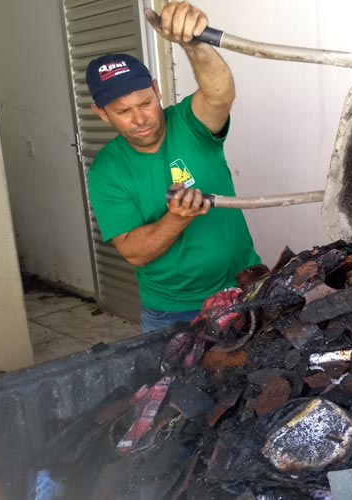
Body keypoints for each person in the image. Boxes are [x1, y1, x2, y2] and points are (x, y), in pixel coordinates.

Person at [85, 1, 261, 333]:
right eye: (123, 111)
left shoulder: (188, 124)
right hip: (173, 311)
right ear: (102, 114)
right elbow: (134, 252)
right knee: (180, 385)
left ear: (156, 90)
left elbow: (219, 95)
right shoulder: (106, 171)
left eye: (145, 103)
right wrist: (177, 218)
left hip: (243, 286)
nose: (139, 119)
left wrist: (194, 45)